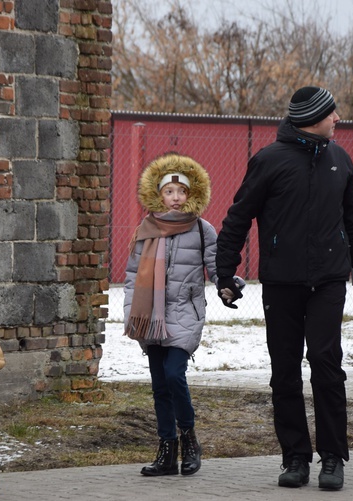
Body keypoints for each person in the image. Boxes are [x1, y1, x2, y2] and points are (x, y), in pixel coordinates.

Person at [215, 86, 353, 491]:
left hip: (327, 280)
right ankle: (295, 458)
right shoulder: (269, 161)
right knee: (284, 370)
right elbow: (238, 218)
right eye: (332, 113)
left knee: (326, 363)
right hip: (281, 282)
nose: (338, 119)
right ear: (314, 117)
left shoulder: (340, 159)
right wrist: (224, 275)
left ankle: (333, 459)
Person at [123, 153, 220, 477]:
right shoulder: (146, 229)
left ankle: (190, 439)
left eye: (182, 192)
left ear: (191, 195)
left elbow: (217, 267)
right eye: (169, 192)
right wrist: (129, 315)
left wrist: (228, 284)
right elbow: (131, 276)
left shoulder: (203, 229)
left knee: (175, 375)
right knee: (160, 386)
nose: (176, 198)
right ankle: (167, 451)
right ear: (159, 194)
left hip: (185, 313)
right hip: (151, 316)